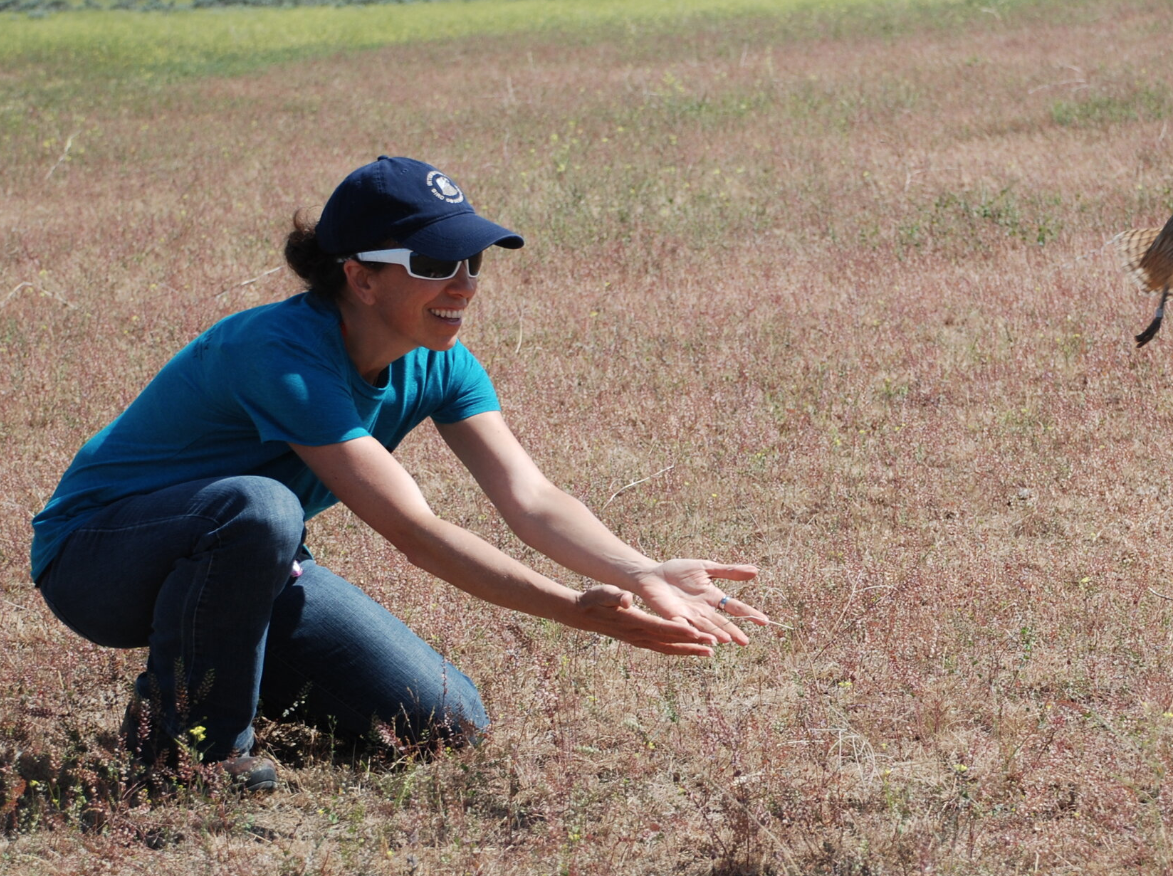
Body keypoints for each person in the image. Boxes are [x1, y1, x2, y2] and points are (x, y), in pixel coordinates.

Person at [30, 156, 767, 792]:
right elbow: (416, 532)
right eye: (434, 264)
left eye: (472, 263)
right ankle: (182, 751)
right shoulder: (279, 353)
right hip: (97, 560)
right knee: (262, 508)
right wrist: (572, 609)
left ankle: (226, 671)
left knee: (442, 720)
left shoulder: (440, 359)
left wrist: (641, 571)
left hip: (248, 562)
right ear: (360, 278)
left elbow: (532, 496)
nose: (464, 284)